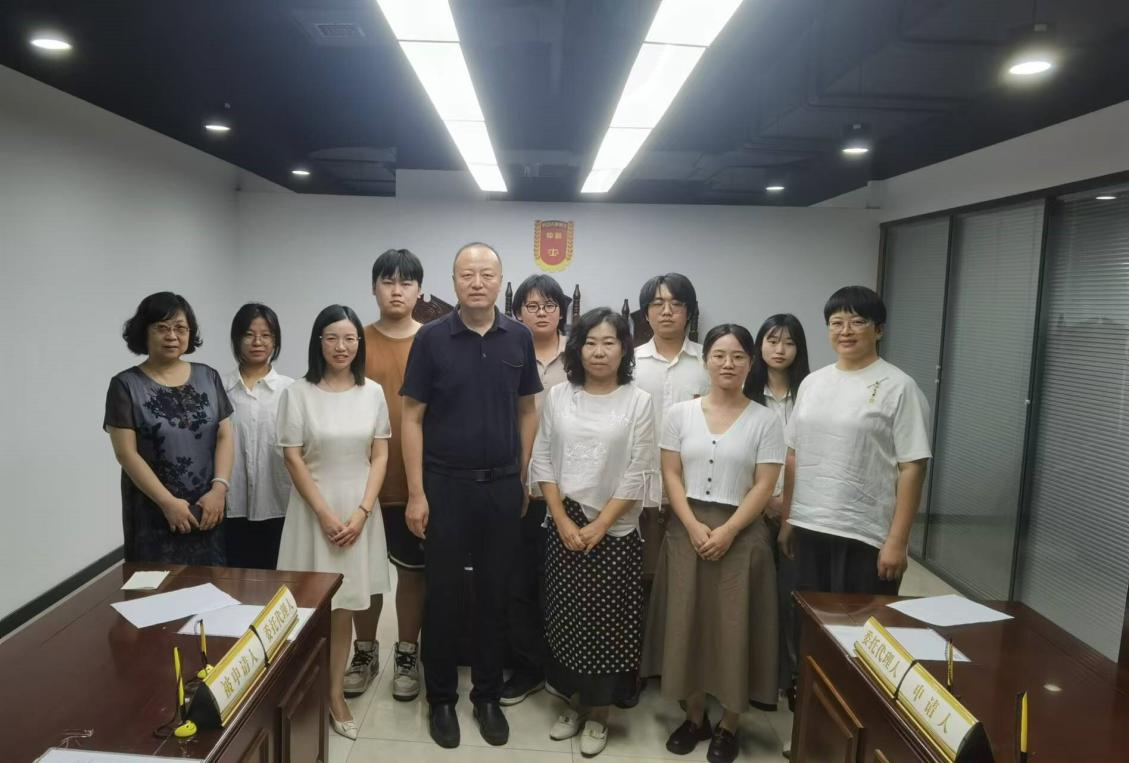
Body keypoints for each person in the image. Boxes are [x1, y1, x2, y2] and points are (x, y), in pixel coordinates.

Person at [401, 242, 542, 749]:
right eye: (467, 274)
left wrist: (520, 477)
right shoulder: (432, 338)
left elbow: (528, 411)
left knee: (495, 595)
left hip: (501, 486)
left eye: (486, 274)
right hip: (444, 486)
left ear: (500, 281)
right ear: (454, 281)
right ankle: (441, 698)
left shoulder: (518, 337)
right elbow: (411, 417)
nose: (477, 282)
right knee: (443, 594)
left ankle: (486, 695)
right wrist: (416, 493)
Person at [642, 324, 784, 763]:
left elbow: (764, 485)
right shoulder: (679, 414)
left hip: (742, 535)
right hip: (686, 531)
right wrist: (690, 524)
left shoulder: (765, 420)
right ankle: (695, 715)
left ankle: (729, 724)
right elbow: (670, 473)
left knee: (733, 628)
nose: (728, 363)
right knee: (688, 623)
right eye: (719, 355)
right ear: (705, 361)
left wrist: (728, 531)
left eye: (738, 356)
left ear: (750, 363)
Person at [530, 307, 659, 758]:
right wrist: (562, 519)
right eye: (590, 342)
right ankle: (573, 703)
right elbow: (542, 457)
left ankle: (600, 713)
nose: (599, 351)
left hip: (615, 527)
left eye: (609, 342)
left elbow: (640, 469)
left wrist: (601, 524)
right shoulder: (559, 396)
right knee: (566, 616)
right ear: (577, 348)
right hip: (563, 521)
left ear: (624, 349)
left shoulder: (638, 401)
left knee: (607, 623)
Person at [275, 305, 392, 740]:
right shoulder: (298, 393)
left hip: (358, 512)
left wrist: (362, 512)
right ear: (318, 343)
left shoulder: (372, 392)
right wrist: (325, 514)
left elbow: (380, 454)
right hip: (313, 514)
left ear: (359, 343)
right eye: (331, 338)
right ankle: (300, 690)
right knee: (306, 605)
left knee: (344, 607)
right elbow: (292, 457)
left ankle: (334, 693)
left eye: (349, 338)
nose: (341, 347)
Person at [779, 286, 931, 600]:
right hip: (809, 525)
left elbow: (913, 468)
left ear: (879, 330)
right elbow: (793, 455)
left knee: (861, 621)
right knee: (809, 619)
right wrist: (787, 519)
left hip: (866, 533)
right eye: (836, 323)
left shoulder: (900, 387)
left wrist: (897, 541)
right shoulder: (812, 383)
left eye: (858, 322)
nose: (845, 331)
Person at [345, 248, 425, 703]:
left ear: (419, 290)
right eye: (388, 281)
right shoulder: (354, 340)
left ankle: (407, 653)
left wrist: (422, 488)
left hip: (416, 484)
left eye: (406, 282)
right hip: (362, 485)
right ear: (374, 287)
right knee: (366, 574)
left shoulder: (433, 341)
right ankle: (365, 651)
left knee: (412, 573)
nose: (397, 291)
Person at [104, 292, 233, 565]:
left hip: (208, 507)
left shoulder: (208, 377)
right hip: (154, 510)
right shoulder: (125, 385)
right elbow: (126, 454)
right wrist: (167, 503)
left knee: (213, 583)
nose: (172, 336)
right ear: (144, 331)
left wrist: (219, 489)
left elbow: (224, 435)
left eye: (180, 328)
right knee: (155, 586)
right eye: (162, 328)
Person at [502, 274, 570, 706]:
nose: (541, 313)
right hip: (520, 487)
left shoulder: (580, 356)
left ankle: (562, 669)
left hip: (568, 492)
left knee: (562, 585)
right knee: (519, 582)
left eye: (549, 305)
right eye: (532, 306)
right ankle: (527, 667)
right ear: (517, 313)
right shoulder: (507, 352)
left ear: (561, 311)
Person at [744, 314, 810, 719]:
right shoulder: (746, 393)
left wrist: (788, 509)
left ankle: (791, 679)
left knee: (790, 597)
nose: (779, 349)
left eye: (788, 342)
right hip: (752, 508)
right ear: (760, 346)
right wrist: (766, 500)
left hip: (799, 512)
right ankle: (755, 676)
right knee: (753, 596)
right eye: (772, 341)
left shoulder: (811, 394)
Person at [223, 303, 294, 570]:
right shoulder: (220, 388)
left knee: (279, 577)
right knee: (234, 576)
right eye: (249, 334)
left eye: (266, 335)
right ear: (236, 338)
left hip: (279, 501)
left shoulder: (290, 390)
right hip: (232, 503)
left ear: (275, 341)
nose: (257, 342)